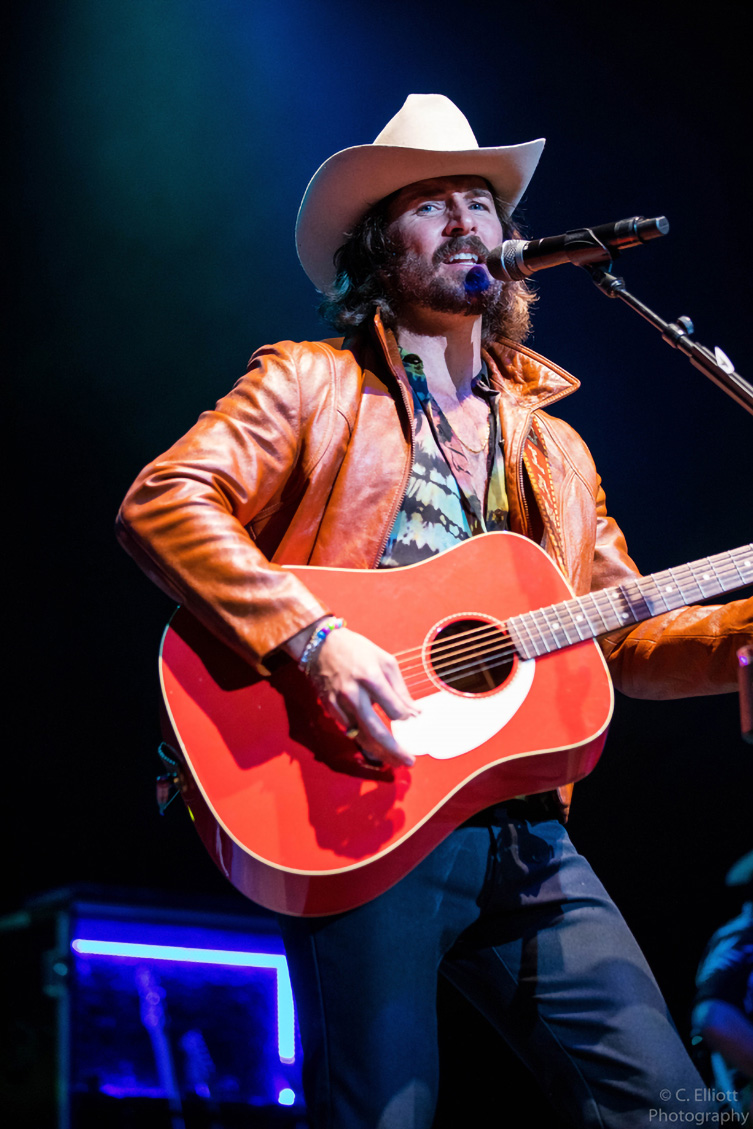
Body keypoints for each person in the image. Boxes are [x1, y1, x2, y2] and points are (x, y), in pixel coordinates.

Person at [117, 95, 752, 1128]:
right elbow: (165, 500)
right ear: (379, 250)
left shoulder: (555, 450)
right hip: (352, 800)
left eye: (480, 202)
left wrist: (739, 633)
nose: (465, 220)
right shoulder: (312, 384)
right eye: (430, 204)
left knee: (675, 1108)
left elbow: (623, 631)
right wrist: (313, 639)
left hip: (525, 827)